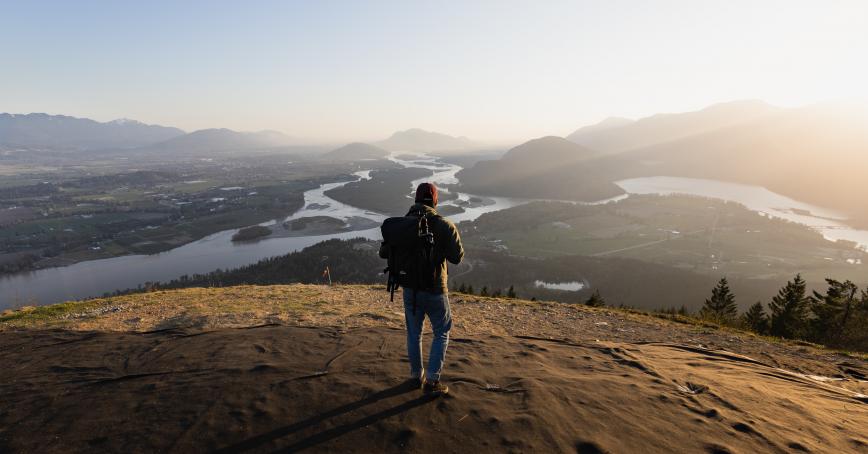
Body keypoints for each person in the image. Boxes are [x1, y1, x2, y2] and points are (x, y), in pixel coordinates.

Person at [380, 182, 464, 396]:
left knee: (414, 333)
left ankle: (416, 376)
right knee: (441, 332)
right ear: (435, 201)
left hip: (410, 289)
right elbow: (457, 257)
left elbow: (383, 253)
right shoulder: (444, 225)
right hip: (436, 289)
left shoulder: (402, 225)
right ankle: (433, 381)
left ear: (416, 200)